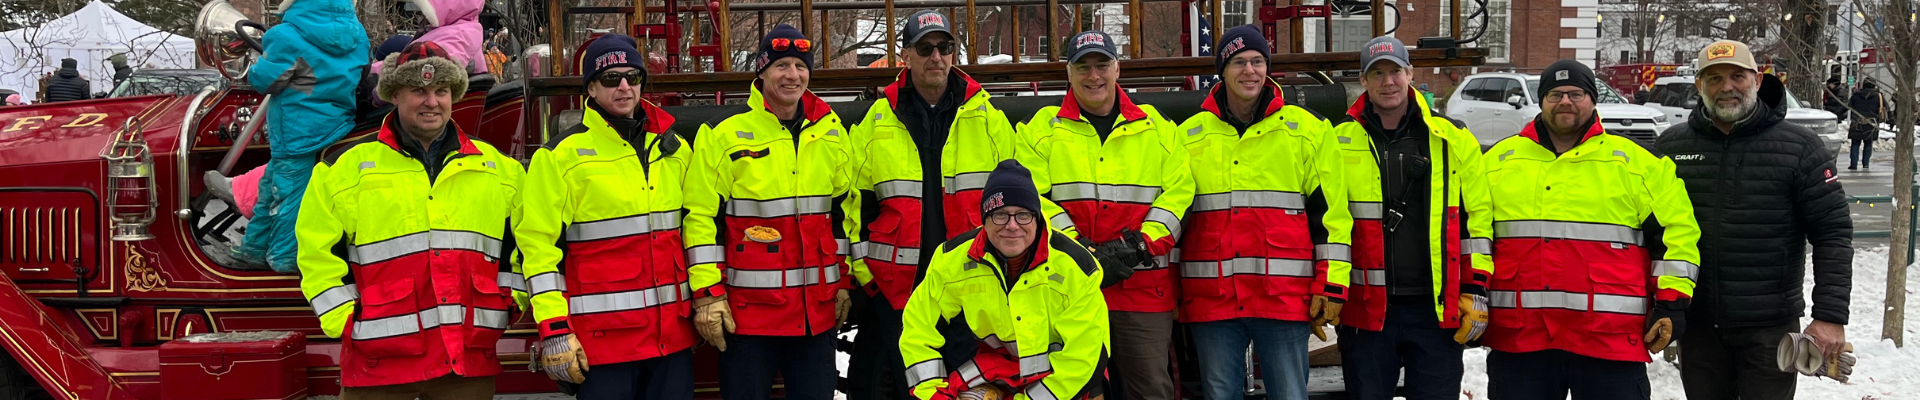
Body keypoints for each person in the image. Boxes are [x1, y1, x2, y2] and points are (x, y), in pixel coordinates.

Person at [293, 43, 526, 400]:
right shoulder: (343, 171)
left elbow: (523, 248)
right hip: (378, 363)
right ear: (395, 95)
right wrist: (345, 321)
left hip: (464, 361)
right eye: (418, 90)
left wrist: (509, 305)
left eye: (441, 91)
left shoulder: (500, 171)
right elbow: (315, 254)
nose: (431, 101)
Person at [1480, 59, 1702, 400]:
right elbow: (1472, 236)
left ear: (1593, 99)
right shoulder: (1498, 162)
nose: (1565, 102)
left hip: (1609, 341)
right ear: (1541, 101)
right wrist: (1472, 292)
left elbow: (1677, 235)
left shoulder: (1636, 164)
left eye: (1576, 93)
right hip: (1521, 340)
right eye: (1555, 94)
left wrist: (1671, 304)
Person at [1656, 39, 1855, 400]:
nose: (1726, 87)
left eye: (1737, 76)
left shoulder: (1801, 147)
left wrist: (1830, 316)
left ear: (1758, 81)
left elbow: (1833, 234)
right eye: (1713, 79)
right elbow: (1652, 234)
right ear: (1699, 86)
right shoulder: (1670, 147)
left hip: (1769, 329)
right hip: (1697, 325)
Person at [846, 10, 1027, 400]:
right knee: (911, 387)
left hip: (971, 283)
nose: (936, 57)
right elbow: (854, 206)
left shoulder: (988, 119)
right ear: (905, 55)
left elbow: (1013, 204)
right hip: (899, 289)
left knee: (970, 389)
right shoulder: (877, 121)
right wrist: (869, 279)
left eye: (945, 47)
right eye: (925, 48)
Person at [1171, 25, 1351, 400]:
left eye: (1257, 61)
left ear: (1268, 68)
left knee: (1289, 394)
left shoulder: (1307, 132)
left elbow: (1331, 218)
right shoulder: (1188, 137)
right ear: (1222, 70)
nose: (1249, 71)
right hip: (1212, 300)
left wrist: (1331, 285)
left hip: (1283, 300)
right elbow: (1174, 219)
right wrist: (1171, 291)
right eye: (1238, 62)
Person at [513, 34, 696, 400]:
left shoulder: (674, 149)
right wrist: (555, 330)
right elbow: (537, 248)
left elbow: (697, 230)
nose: (625, 86)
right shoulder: (559, 158)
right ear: (591, 89)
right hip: (603, 346)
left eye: (633, 76)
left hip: (671, 341)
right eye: (611, 78)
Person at [684, 24, 857, 400]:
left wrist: (843, 281)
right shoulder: (724, 136)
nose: (792, 75)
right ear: (761, 72)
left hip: (816, 318)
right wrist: (707, 295)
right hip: (749, 321)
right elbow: (700, 219)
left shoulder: (831, 134)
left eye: (800, 65)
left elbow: (843, 217)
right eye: (781, 66)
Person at [1017, 30, 1192, 400]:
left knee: (1150, 391)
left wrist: (1136, 246)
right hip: (1069, 290)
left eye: (1101, 65)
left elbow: (1180, 194)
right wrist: (1079, 249)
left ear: (1117, 69)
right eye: (1083, 67)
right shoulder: (1041, 131)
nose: (1093, 76)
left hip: (1142, 289)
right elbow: (1032, 198)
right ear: (1069, 73)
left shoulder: (1157, 129)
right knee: (1074, 391)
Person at [1327, 35, 1494, 400]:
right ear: (1364, 80)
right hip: (1367, 311)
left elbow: (1476, 220)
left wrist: (1476, 288)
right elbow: (1330, 223)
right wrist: (1330, 288)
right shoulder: (1337, 142)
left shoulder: (1452, 139)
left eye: (1396, 72)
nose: (1388, 82)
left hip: (1434, 309)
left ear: (1410, 74)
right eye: (1378, 73)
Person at [899, 159, 1110, 400]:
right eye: (1000, 214)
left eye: (1022, 215)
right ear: (984, 220)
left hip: (1067, 382)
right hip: (1000, 373)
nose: (1012, 226)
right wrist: (931, 394)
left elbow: (1082, 358)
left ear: (1037, 218)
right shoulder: (951, 260)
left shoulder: (1077, 266)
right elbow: (917, 328)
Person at [234, 0, 368, 272]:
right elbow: (360, 73)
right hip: (335, 121)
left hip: (297, 127)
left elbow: (266, 81)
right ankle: (254, 247)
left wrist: (258, 65)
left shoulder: (286, 35)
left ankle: (285, 258)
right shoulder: (357, 34)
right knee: (271, 187)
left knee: (290, 196)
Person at [408, 0, 487, 74]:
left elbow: (440, 68)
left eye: (422, 11)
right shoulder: (458, 28)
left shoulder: (460, 33)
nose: (420, 14)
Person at [1847, 80, 1885, 170]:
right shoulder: (1878, 96)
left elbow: (1848, 105)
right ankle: (1866, 163)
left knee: (1855, 144)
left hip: (1857, 122)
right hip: (1871, 123)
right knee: (1868, 144)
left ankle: (1853, 164)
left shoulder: (1856, 95)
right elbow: (1884, 108)